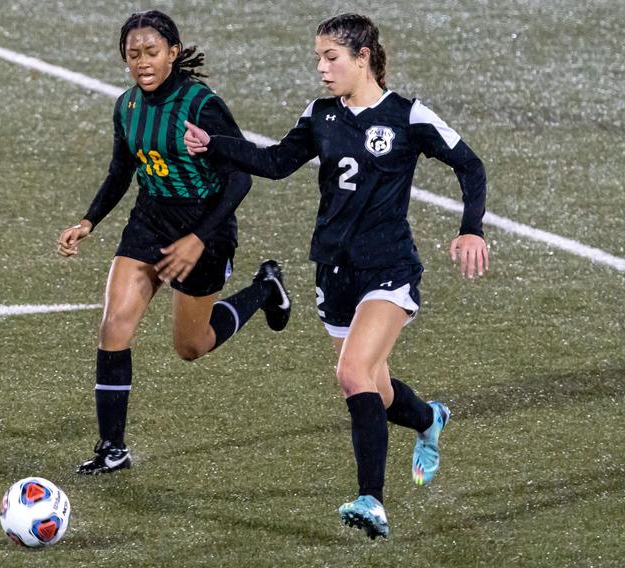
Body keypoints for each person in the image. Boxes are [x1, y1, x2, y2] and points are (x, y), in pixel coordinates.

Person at [184, 13, 488, 539]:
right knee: (376, 386)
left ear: (363, 55)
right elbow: (277, 162)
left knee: (351, 375)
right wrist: (216, 144)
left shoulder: (408, 117)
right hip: (333, 272)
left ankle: (372, 500)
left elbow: (470, 165)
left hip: (388, 269)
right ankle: (428, 419)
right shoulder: (321, 115)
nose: (322, 69)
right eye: (319, 59)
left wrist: (472, 229)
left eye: (332, 58)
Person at [57, 10, 291, 476]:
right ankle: (112, 448)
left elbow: (239, 179)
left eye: (151, 52)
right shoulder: (126, 107)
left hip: (206, 225)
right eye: (133, 54)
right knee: (113, 326)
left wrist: (197, 239)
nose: (142, 62)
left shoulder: (201, 105)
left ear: (173, 52)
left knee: (191, 345)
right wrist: (88, 221)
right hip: (150, 220)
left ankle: (266, 288)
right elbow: (121, 171)